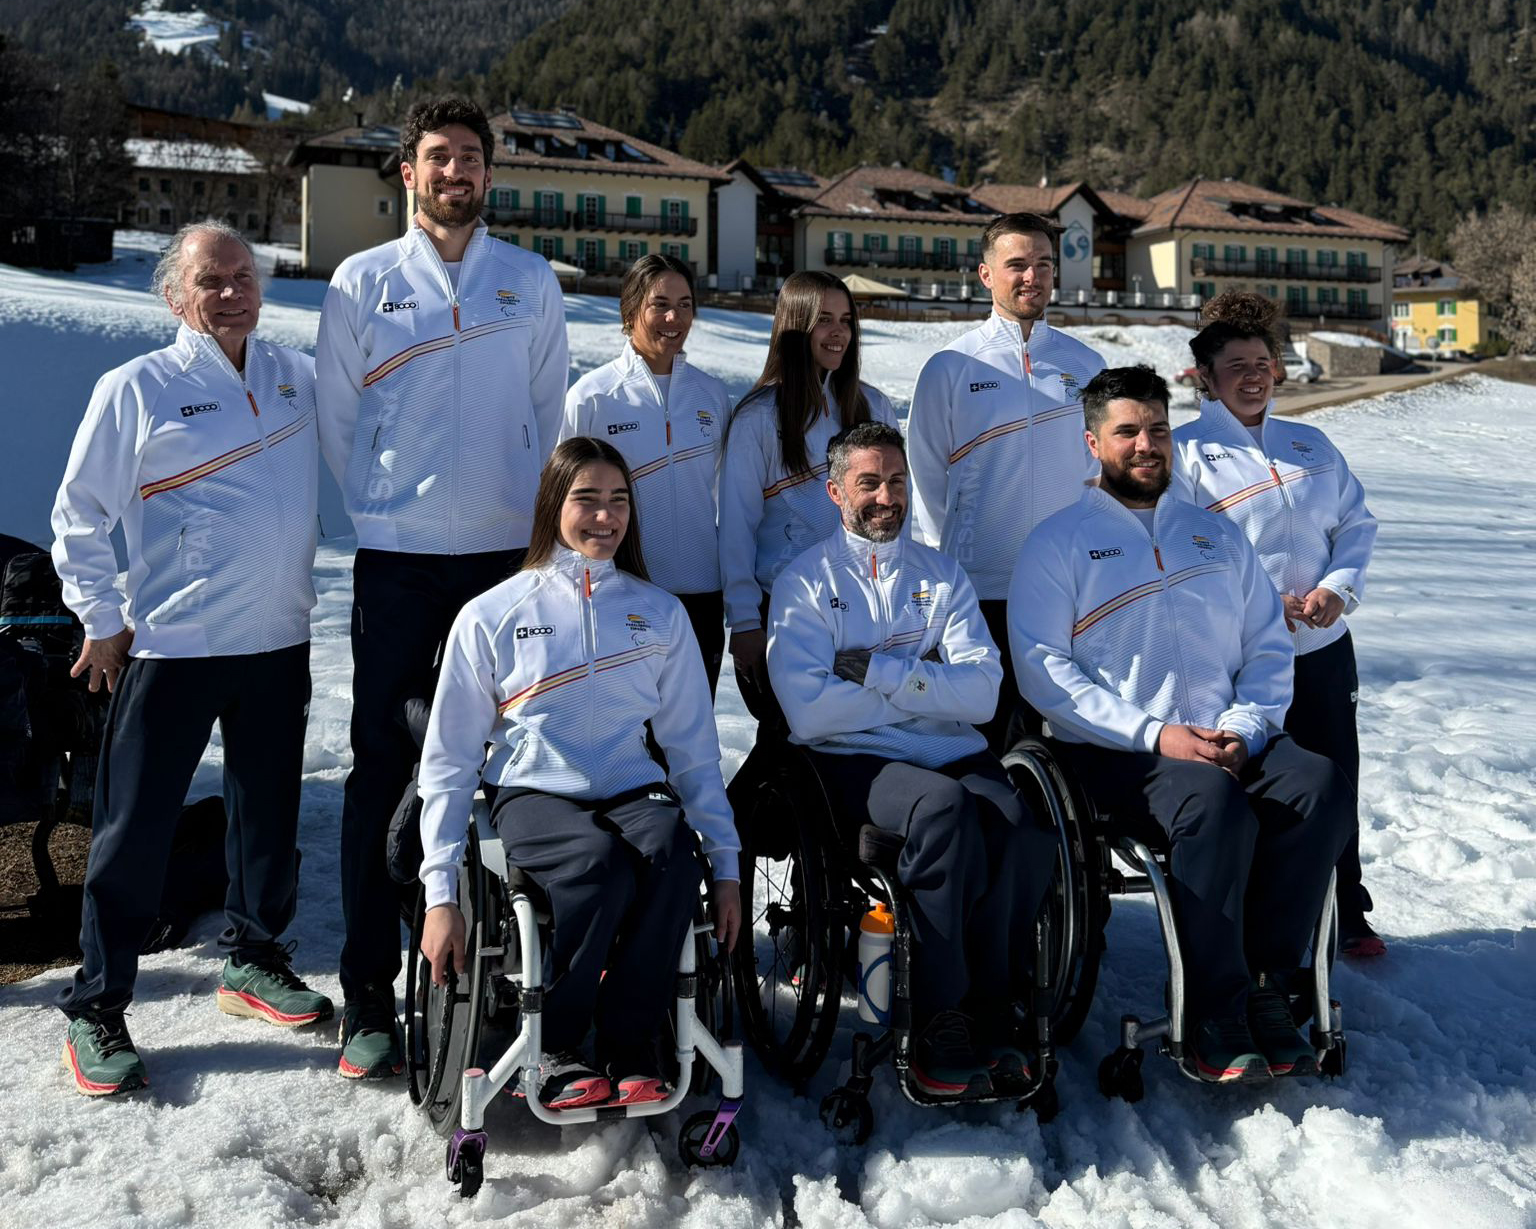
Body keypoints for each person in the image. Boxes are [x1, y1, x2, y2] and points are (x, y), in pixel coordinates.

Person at [315, 96, 569, 1079]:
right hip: (399, 563)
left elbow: (548, 414)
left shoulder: (527, 280)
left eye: (469, 157)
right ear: (408, 172)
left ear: (488, 175)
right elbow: (339, 419)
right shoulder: (363, 281)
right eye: (437, 156)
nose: (454, 171)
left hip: (505, 562)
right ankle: (368, 992)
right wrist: (386, 508)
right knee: (383, 763)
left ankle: (505, 973)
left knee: (506, 762)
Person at [1010, 365, 1354, 1083]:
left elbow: (1266, 645)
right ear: (1092, 442)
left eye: (1159, 429)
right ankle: (1214, 1009)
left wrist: (1246, 727)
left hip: (1230, 736)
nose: (1146, 444)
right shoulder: (1057, 543)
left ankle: (1268, 984)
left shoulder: (1214, 534)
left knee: (1320, 784)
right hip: (1120, 753)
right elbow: (1044, 672)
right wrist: (1156, 736)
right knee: (1212, 802)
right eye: (1127, 431)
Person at [49, 220, 328, 1096]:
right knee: (135, 827)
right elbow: (78, 513)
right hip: (175, 643)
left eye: (244, 276)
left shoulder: (295, 377)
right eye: (212, 280)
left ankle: (254, 959)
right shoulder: (138, 387)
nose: (233, 292)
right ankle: (97, 1003)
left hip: (278, 638)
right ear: (176, 296)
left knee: (267, 816)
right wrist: (100, 618)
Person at [415, 437, 741, 1107]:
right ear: (550, 506)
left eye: (618, 500)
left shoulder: (660, 614)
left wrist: (728, 865)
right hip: (533, 790)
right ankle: (555, 1047)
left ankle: (631, 1044)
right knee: (598, 865)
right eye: (586, 499)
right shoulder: (493, 615)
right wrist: (440, 895)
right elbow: (448, 761)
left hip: (631, 785)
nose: (605, 516)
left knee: (672, 855)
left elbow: (693, 751)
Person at [767, 421, 1054, 1098]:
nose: (886, 496)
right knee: (945, 810)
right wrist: (929, 687)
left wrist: (878, 673)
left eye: (896, 481)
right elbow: (810, 711)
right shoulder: (804, 582)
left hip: (950, 750)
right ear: (836, 491)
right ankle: (936, 1013)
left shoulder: (941, 575)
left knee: (1022, 826)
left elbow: (983, 693)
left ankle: (993, 1003)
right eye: (868, 482)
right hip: (851, 761)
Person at [1173, 308, 1381, 956]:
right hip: (1236, 657)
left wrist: (1338, 588)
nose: (1253, 377)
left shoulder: (1310, 444)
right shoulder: (1185, 454)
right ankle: (1249, 913)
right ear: (1205, 377)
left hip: (1321, 650)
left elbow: (1355, 523)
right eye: (1236, 366)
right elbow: (1179, 550)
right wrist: (1261, 602)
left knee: (1336, 778)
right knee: (1255, 783)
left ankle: (1347, 909)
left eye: (1262, 364)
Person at [907, 213, 1106, 752]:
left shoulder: (1086, 364)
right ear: (985, 274)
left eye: (1043, 264)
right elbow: (925, 475)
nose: (1032, 276)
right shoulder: (951, 366)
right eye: (1017, 264)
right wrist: (952, 559)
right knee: (987, 737)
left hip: (1068, 588)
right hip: (981, 589)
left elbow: (1099, 473)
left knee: (1073, 736)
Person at [719, 271, 897, 723]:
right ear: (795, 325)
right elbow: (736, 527)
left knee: (859, 734)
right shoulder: (758, 417)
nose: (839, 332)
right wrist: (745, 621)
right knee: (787, 736)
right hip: (784, 610)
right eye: (824, 320)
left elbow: (896, 516)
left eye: (846, 320)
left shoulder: (874, 406)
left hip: (863, 611)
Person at [561, 255, 732, 693]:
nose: (674, 318)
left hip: (702, 593)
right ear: (630, 309)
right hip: (623, 591)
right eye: (660, 304)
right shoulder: (594, 397)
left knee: (694, 723)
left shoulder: (712, 396)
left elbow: (731, 498)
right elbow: (562, 502)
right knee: (629, 724)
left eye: (685, 305)